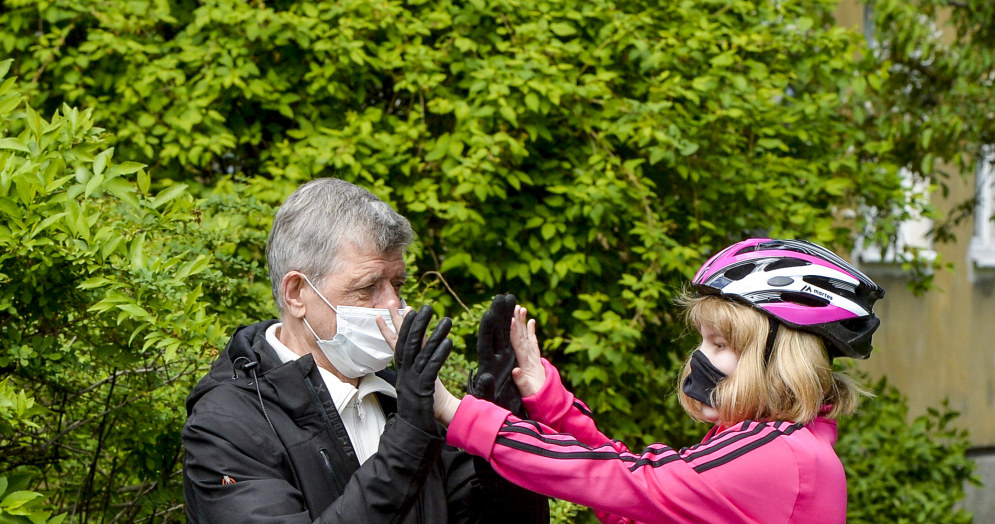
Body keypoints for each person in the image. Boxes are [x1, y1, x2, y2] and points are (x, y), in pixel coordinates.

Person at [433, 238, 886, 523]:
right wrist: (545, 396)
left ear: (780, 362)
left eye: (722, 344)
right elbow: (632, 503)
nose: (699, 358)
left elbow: (626, 481)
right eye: (703, 340)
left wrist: (460, 414)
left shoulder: (777, 456)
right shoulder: (785, 447)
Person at [182, 178, 548, 523]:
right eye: (368, 286)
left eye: (397, 284)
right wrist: (408, 439)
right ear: (296, 294)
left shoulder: (403, 398)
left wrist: (502, 439)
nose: (393, 304)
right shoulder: (226, 424)